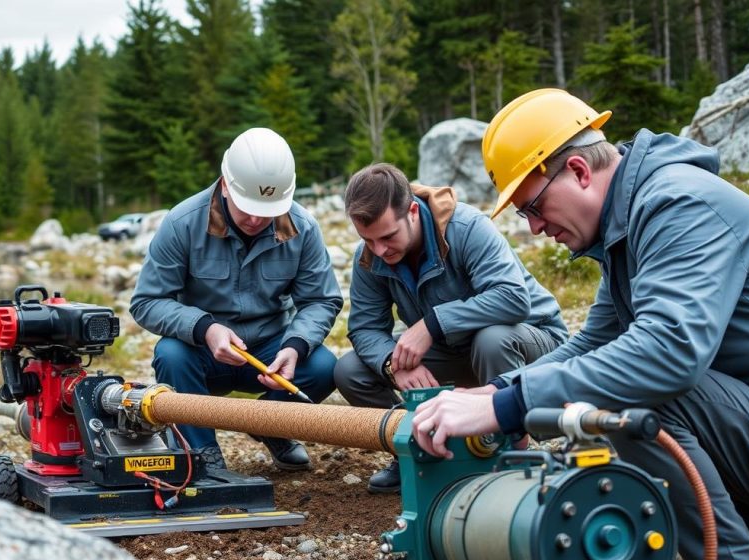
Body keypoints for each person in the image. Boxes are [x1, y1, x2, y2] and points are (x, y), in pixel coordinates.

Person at [410, 88, 749, 560]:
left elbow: (668, 351)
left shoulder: (678, 203)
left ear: (577, 170)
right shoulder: (627, 227)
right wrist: (499, 392)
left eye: (532, 207)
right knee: (610, 378)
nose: (533, 228)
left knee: (634, 393)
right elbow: (591, 344)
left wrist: (512, 406)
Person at [334, 162, 568, 493]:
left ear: (412, 212)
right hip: (456, 352)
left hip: (529, 342)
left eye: (388, 237)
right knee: (350, 369)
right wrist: (392, 364)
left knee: (492, 339)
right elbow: (364, 328)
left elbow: (513, 299)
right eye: (368, 240)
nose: (380, 251)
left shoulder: (467, 227)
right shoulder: (371, 255)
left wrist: (432, 323)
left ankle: (509, 454)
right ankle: (413, 449)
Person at [130, 127, 343, 471]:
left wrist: (294, 347)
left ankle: (272, 426)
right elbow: (147, 301)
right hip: (202, 353)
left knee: (322, 366)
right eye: (249, 208)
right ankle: (200, 453)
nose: (258, 219)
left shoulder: (303, 227)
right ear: (225, 184)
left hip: (269, 352)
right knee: (170, 353)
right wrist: (204, 328)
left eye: (268, 210)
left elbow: (321, 300)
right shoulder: (182, 223)